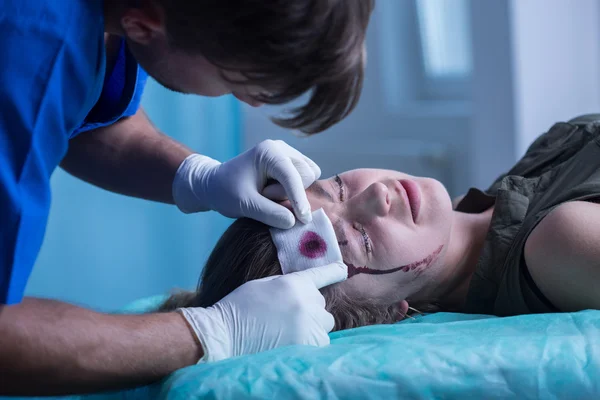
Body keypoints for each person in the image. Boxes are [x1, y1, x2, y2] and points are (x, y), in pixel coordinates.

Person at [0, 0, 375, 396]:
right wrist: (209, 332)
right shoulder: (27, 52)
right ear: (143, 24)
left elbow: (82, 113)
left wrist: (200, 177)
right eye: (236, 81)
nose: (251, 103)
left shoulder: (114, 19)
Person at [161, 115, 600, 331]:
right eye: (360, 239)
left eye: (337, 188)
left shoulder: (504, 189)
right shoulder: (557, 244)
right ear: (389, 312)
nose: (375, 194)